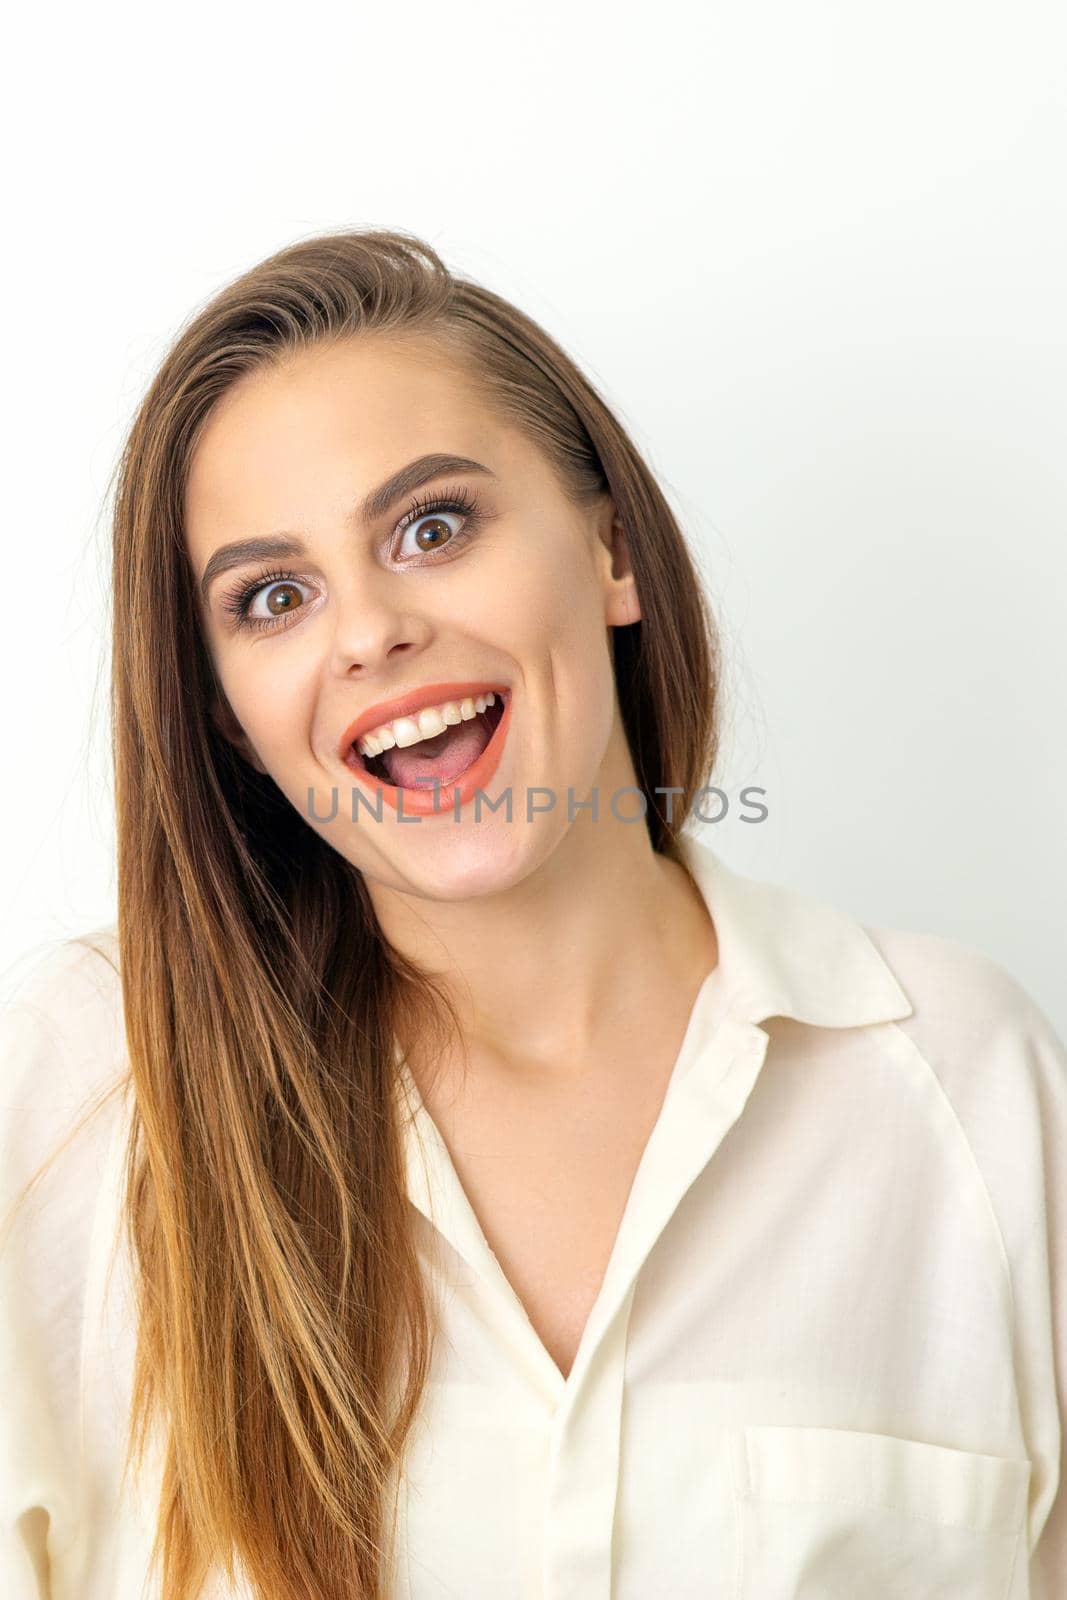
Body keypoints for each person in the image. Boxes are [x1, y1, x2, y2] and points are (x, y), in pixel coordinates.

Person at [1, 227, 1063, 1600]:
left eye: (431, 528)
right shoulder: (87, 1088)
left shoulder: (967, 1086)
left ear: (611, 551)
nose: (370, 629)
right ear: (234, 726)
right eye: (274, 596)